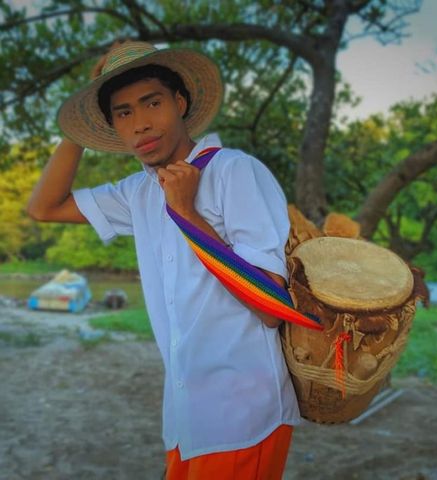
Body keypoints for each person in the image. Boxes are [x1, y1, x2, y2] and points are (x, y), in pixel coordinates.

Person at [27, 41, 301, 479]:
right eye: (123, 113)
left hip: (243, 412)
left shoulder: (234, 170)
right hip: (186, 414)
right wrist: (76, 127)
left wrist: (187, 213)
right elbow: (44, 208)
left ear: (180, 102)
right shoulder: (138, 191)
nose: (140, 124)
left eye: (152, 103)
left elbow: (271, 304)